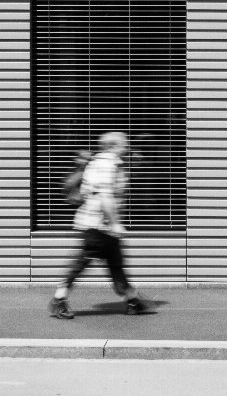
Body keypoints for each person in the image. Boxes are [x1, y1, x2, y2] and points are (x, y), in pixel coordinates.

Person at [48, 132, 144, 319]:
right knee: (82, 261)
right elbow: (105, 195)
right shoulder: (108, 165)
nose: (127, 145)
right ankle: (58, 299)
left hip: (101, 226)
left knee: (115, 263)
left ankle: (132, 300)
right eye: (125, 143)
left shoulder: (103, 163)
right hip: (97, 225)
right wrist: (116, 224)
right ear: (113, 145)